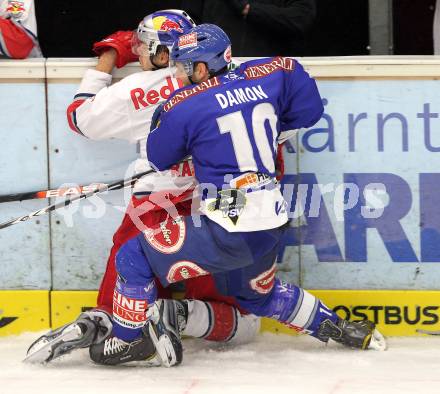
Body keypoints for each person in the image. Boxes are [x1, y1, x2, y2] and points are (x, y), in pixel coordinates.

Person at [110, 24, 387, 363]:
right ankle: (342, 328)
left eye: (182, 67)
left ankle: (127, 342)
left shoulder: (182, 104)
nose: (178, 76)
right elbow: (309, 109)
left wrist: (198, 138)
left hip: (229, 225)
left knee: (131, 256)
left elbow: (158, 158)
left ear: (201, 68)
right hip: (269, 220)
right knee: (256, 296)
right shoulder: (273, 73)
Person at [25, 10, 261, 367]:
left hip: (154, 205)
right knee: (242, 319)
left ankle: (107, 319)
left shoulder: (142, 88)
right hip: (219, 208)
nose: (137, 54)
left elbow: (80, 117)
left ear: (163, 53)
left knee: (129, 272)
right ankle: (177, 315)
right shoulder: (237, 84)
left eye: (142, 47)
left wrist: (109, 55)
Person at [182, 0, 316, 56]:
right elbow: (188, 21)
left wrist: (250, 9)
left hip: (269, 75)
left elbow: (301, 19)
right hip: (215, 75)